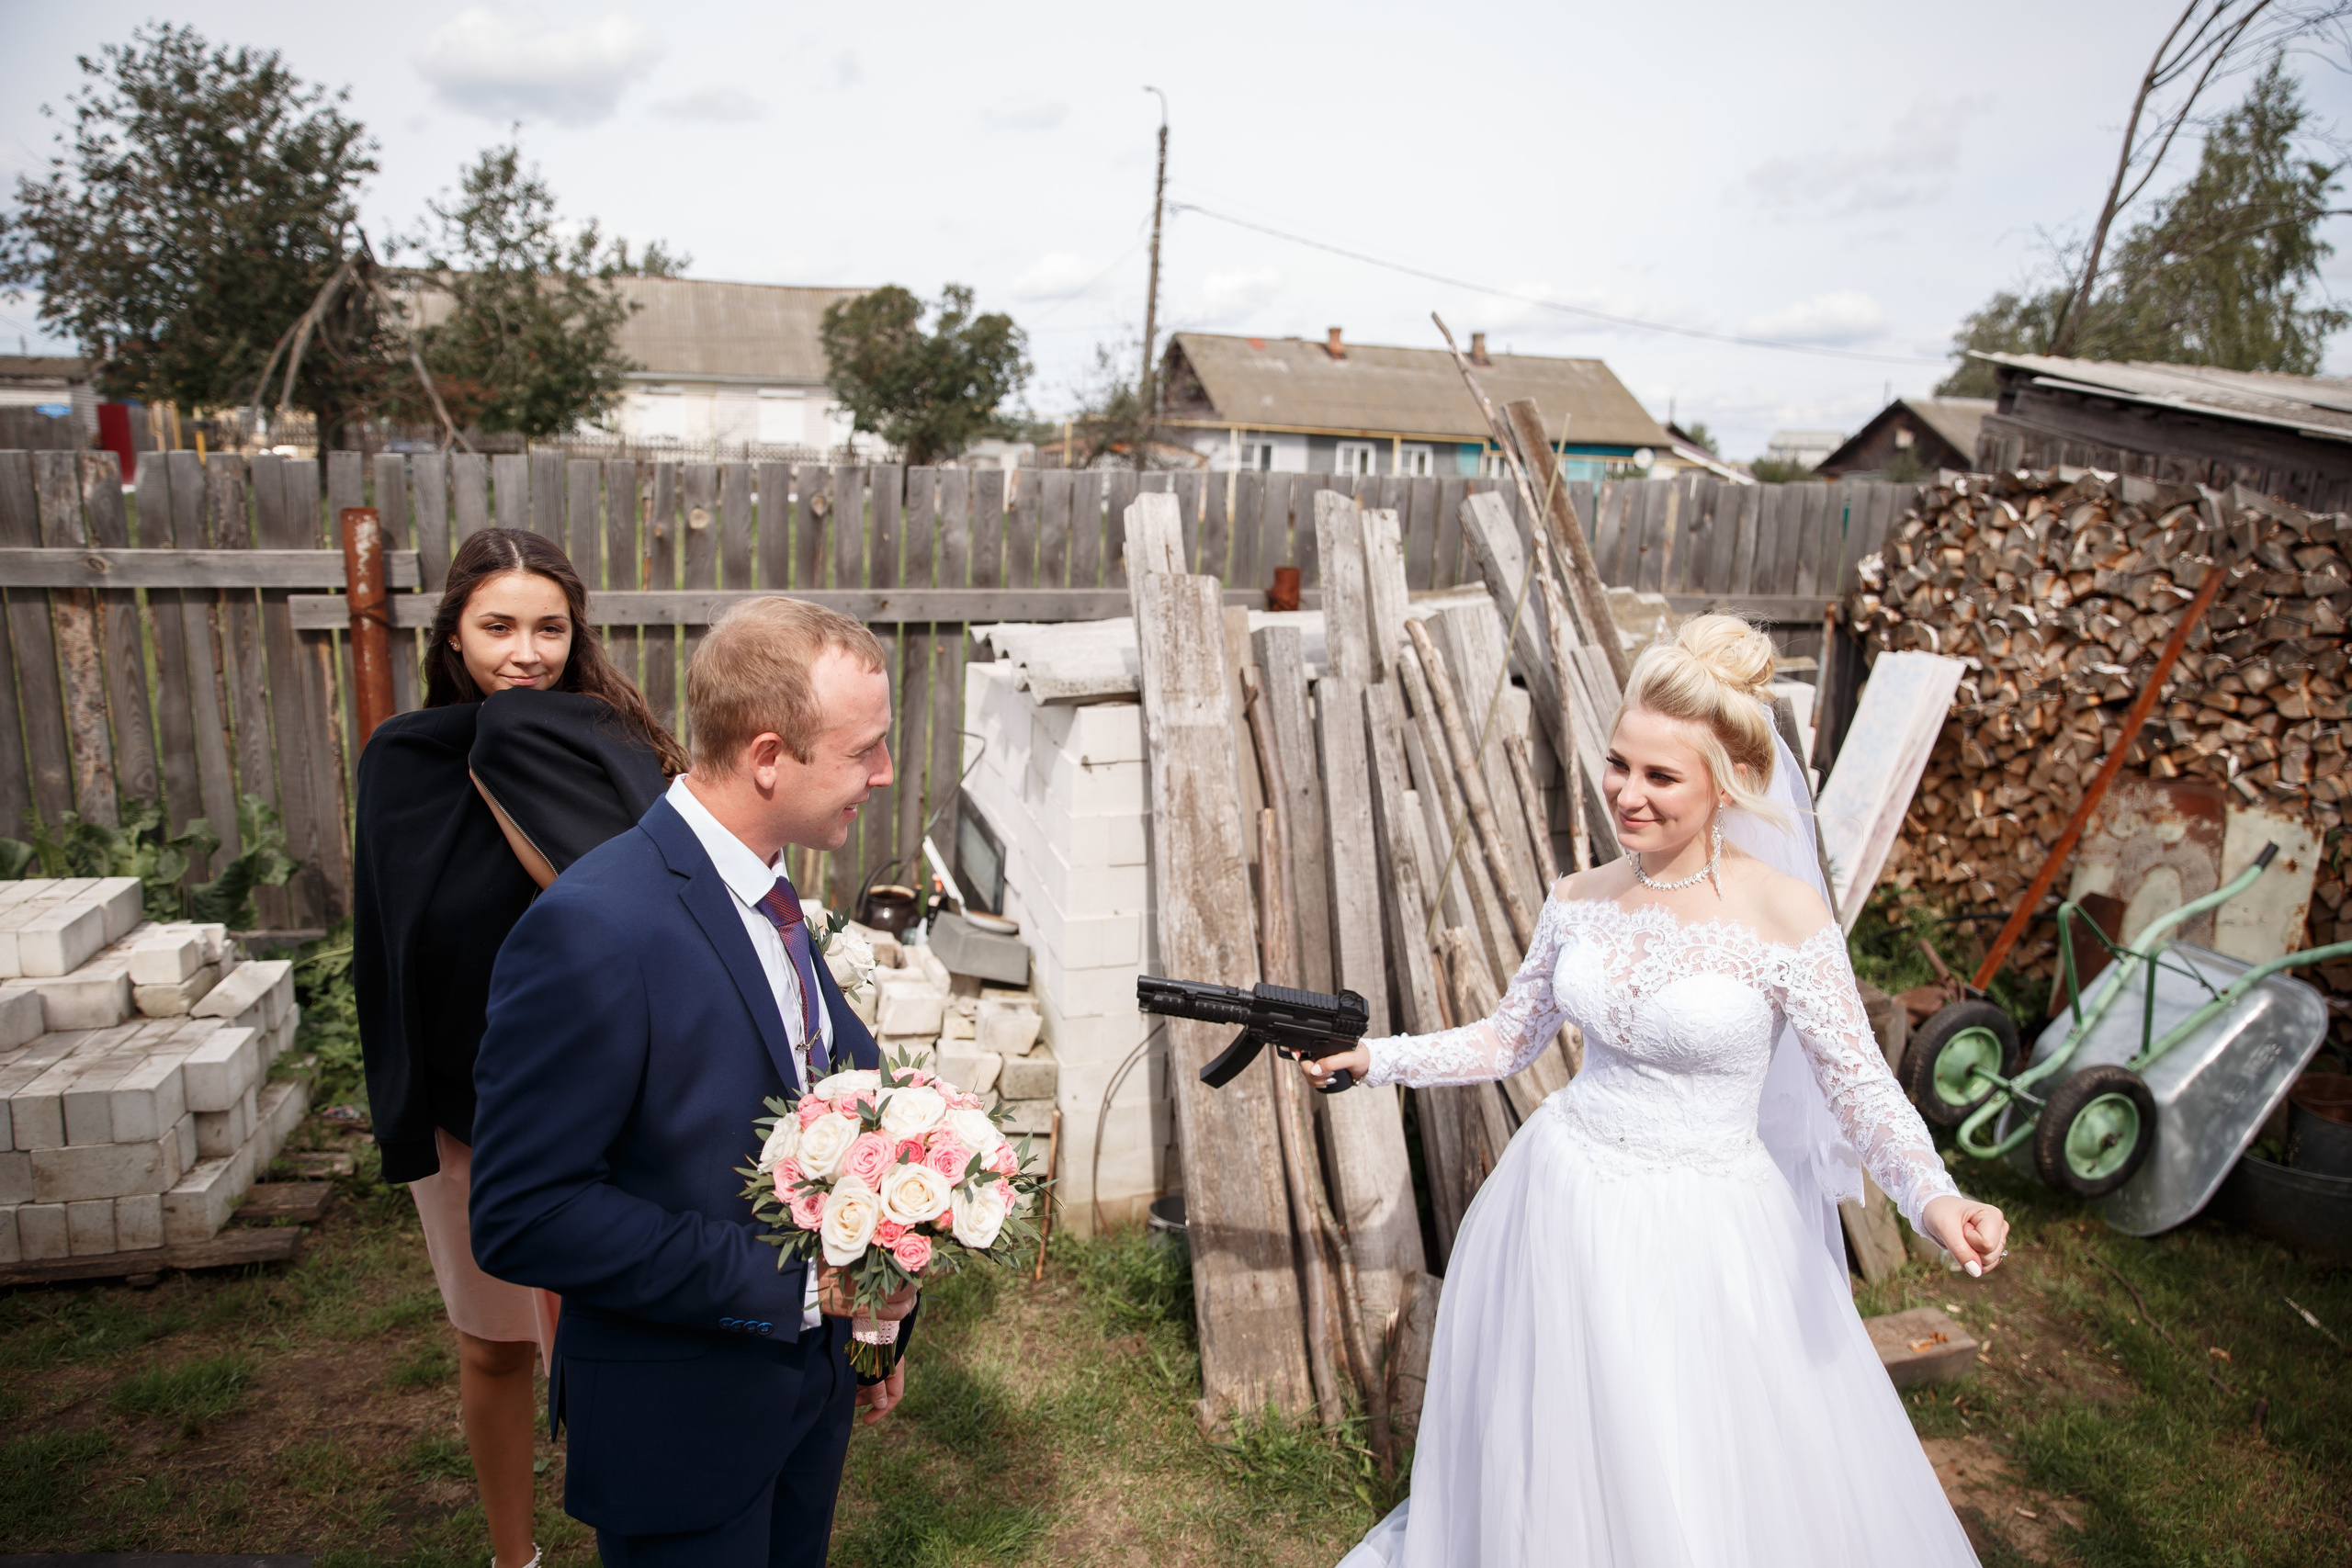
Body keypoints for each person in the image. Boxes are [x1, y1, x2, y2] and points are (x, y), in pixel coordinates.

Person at [1307, 615, 2008, 1568]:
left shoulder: (1785, 916)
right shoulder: (1578, 898)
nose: (1625, 796)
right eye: (1617, 765)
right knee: (1561, 1435)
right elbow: (1512, 1039)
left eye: (1659, 776)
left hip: (1706, 1229)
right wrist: (1376, 1057)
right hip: (1559, 1201)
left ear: (1726, 787)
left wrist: (1936, 1198)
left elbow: (1860, 1087)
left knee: (1690, 1455)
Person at [467, 595, 917, 1568]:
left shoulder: (768, 881)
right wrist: (799, 1286)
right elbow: (524, 1212)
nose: (883, 775)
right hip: (680, 1420)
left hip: (806, 1392)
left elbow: (830, 1085)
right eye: (863, 751)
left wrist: (877, 1296)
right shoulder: (595, 927)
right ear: (767, 757)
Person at [354, 527, 684, 1568]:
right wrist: (402, 1114)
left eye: (550, 627)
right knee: (495, 1346)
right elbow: (382, 945)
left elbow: (655, 909)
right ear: (454, 633)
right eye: (499, 626)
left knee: (615, 1349)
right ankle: (515, 1557)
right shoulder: (401, 763)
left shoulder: (618, 750)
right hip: (463, 1110)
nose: (526, 652)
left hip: (605, 1106)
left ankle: (636, 1538)